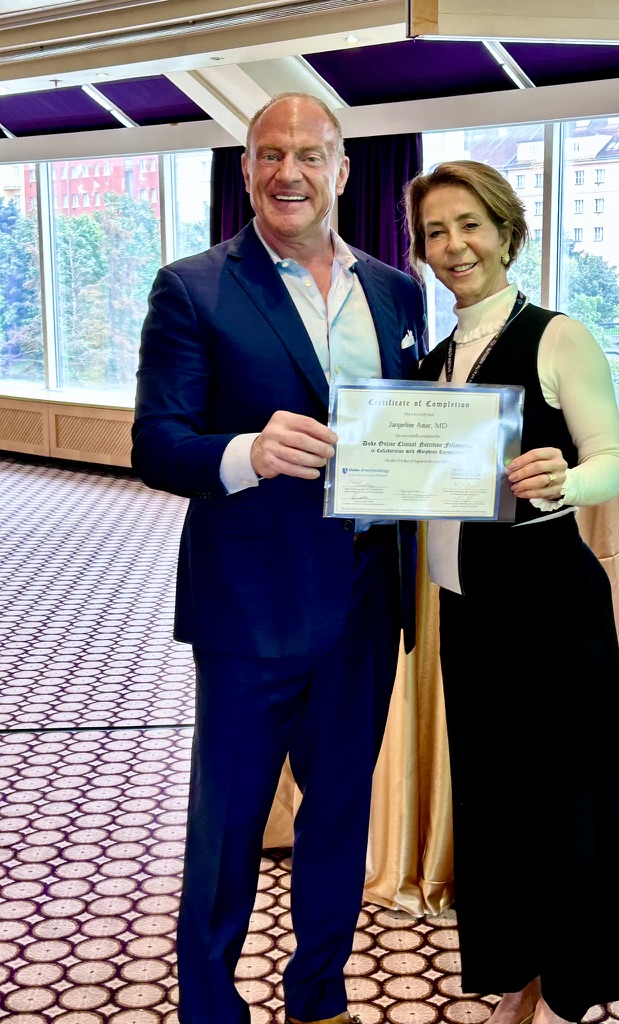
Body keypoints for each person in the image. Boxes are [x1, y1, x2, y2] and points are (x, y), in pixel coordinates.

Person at [132, 92, 426, 1024]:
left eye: (308, 154)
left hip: (368, 595)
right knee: (227, 827)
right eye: (268, 154)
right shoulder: (192, 288)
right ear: (247, 169)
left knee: (339, 815)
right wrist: (246, 454)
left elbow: (418, 429)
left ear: (343, 170)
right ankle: (210, 1008)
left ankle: (319, 996)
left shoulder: (398, 291)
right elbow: (156, 444)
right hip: (249, 606)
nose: (287, 172)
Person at [403, 160, 619, 1024]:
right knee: (495, 801)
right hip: (466, 610)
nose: (454, 245)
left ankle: (572, 985)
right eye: (435, 232)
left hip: (548, 604)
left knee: (565, 799)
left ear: (507, 231)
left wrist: (565, 481)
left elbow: (609, 462)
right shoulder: (431, 365)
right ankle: (519, 968)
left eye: (469, 224)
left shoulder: (559, 337)